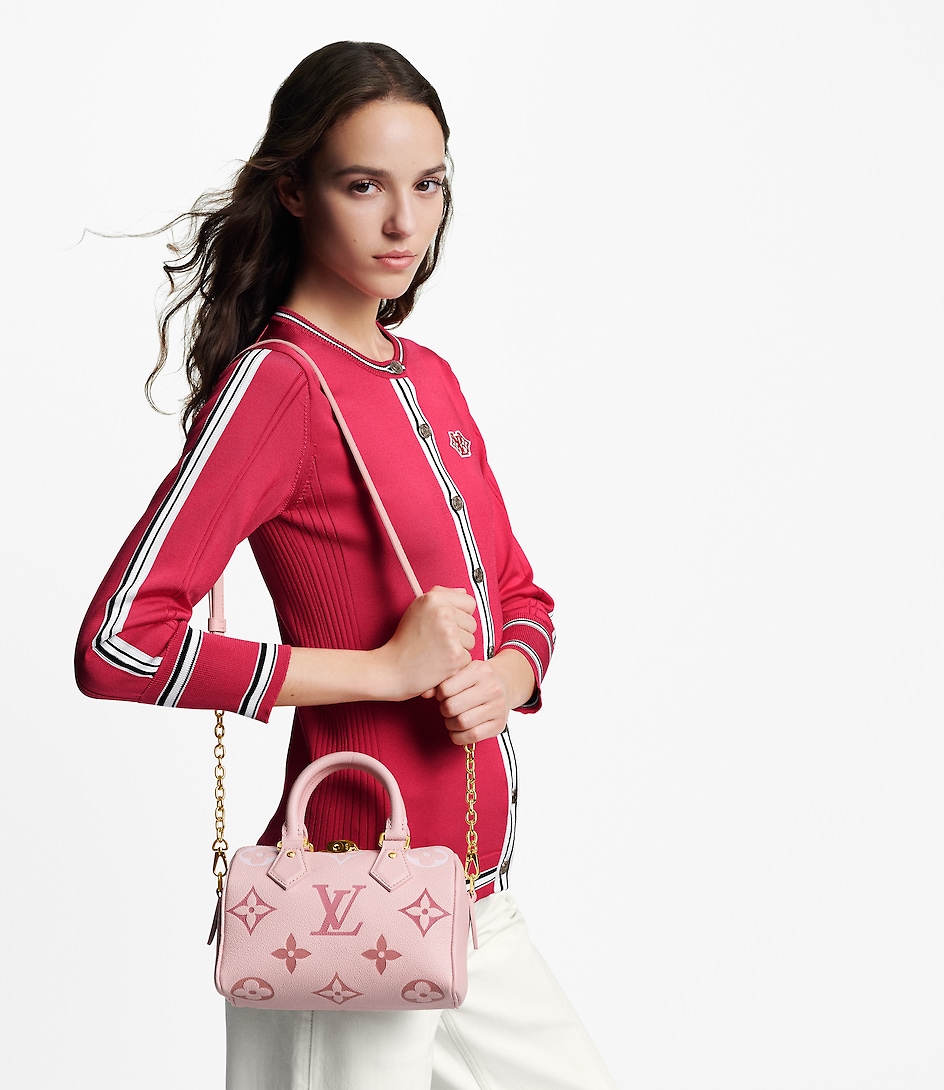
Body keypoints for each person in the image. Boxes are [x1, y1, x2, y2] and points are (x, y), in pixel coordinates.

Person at [75, 40, 617, 1090]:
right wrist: (381, 670)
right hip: (346, 907)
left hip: (474, 900)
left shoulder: (431, 378)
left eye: (429, 185)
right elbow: (118, 644)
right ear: (293, 191)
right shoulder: (278, 384)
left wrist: (508, 674)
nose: (404, 223)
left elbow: (519, 595)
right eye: (364, 185)